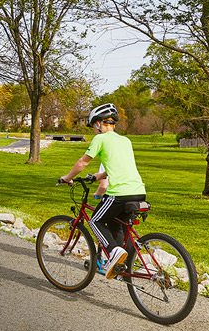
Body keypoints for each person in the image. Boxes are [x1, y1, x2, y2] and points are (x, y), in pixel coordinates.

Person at [58, 103, 146, 278]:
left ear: (98, 124)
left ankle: (113, 252)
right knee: (116, 226)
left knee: (94, 221)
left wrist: (67, 178)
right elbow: (120, 166)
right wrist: (99, 176)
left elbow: (83, 162)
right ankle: (124, 267)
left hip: (119, 194)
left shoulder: (100, 139)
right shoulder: (125, 141)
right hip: (138, 191)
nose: (93, 131)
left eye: (93, 126)